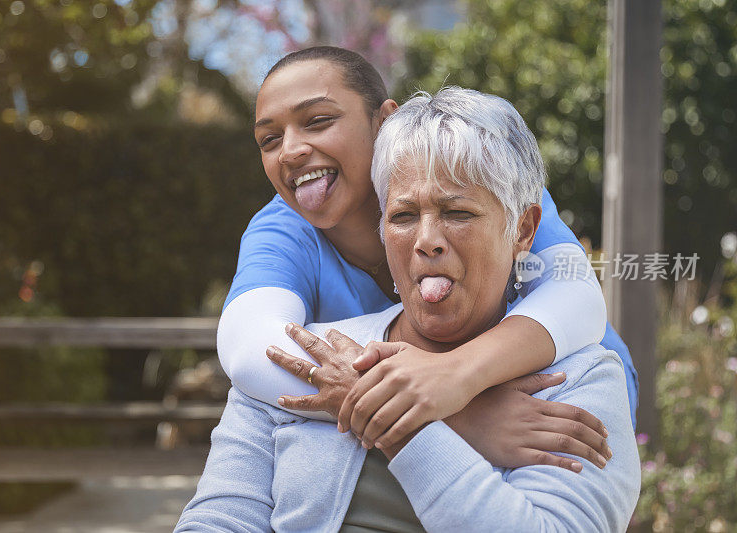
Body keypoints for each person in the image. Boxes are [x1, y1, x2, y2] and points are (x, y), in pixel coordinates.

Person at [175, 87, 641, 532]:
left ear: (523, 231)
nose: (426, 241)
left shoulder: (581, 381)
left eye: (457, 213)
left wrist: (402, 422)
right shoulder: (313, 360)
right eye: (402, 217)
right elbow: (221, 516)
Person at [217, 46, 638, 457]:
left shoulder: (479, 169)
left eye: (318, 120)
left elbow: (577, 296)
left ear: (384, 120)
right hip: (468, 427)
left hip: (569, 399)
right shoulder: (281, 231)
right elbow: (249, 348)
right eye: (269, 139)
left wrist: (453, 379)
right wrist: (457, 416)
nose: (290, 150)